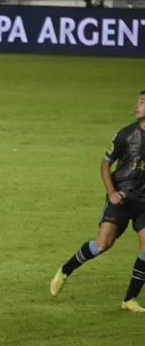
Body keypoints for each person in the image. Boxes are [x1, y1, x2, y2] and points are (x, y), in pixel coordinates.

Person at [50, 91, 145, 313]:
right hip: (120, 198)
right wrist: (111, 191)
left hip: (144, 203)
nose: (136, 106)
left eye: (142, 103)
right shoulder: (126, 135)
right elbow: (105, 164)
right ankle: (66, 269)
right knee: (102, 245)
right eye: (137, 102)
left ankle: (129, 300)